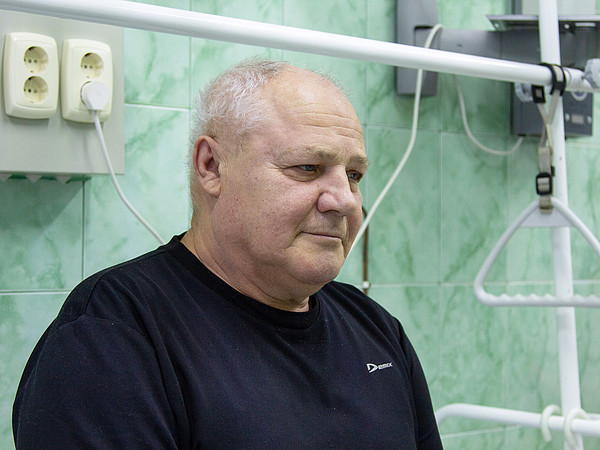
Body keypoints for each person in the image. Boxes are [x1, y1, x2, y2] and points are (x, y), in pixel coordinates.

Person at [13, 59, 442, 449]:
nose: (345, 200)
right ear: (212, 166)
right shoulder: (113, 337)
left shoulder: (377, 331)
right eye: (307, 168)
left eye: (354, 175)